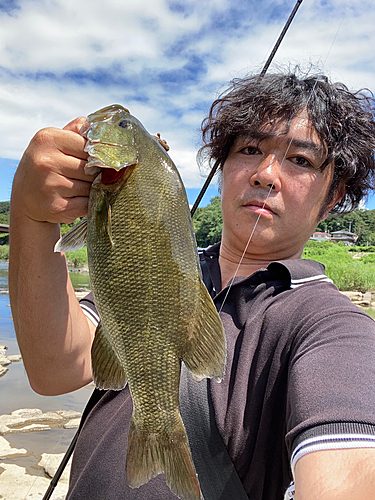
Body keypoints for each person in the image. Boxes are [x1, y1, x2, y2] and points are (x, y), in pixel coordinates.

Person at [8, 68, 375, 500]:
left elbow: (348, 468)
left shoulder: (333, 328)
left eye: (301, 160)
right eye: (251, 148)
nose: (265, 174)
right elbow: (55, 370)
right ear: (224, 167)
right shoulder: (151, 270)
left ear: (334, 195)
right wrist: (31, 217)